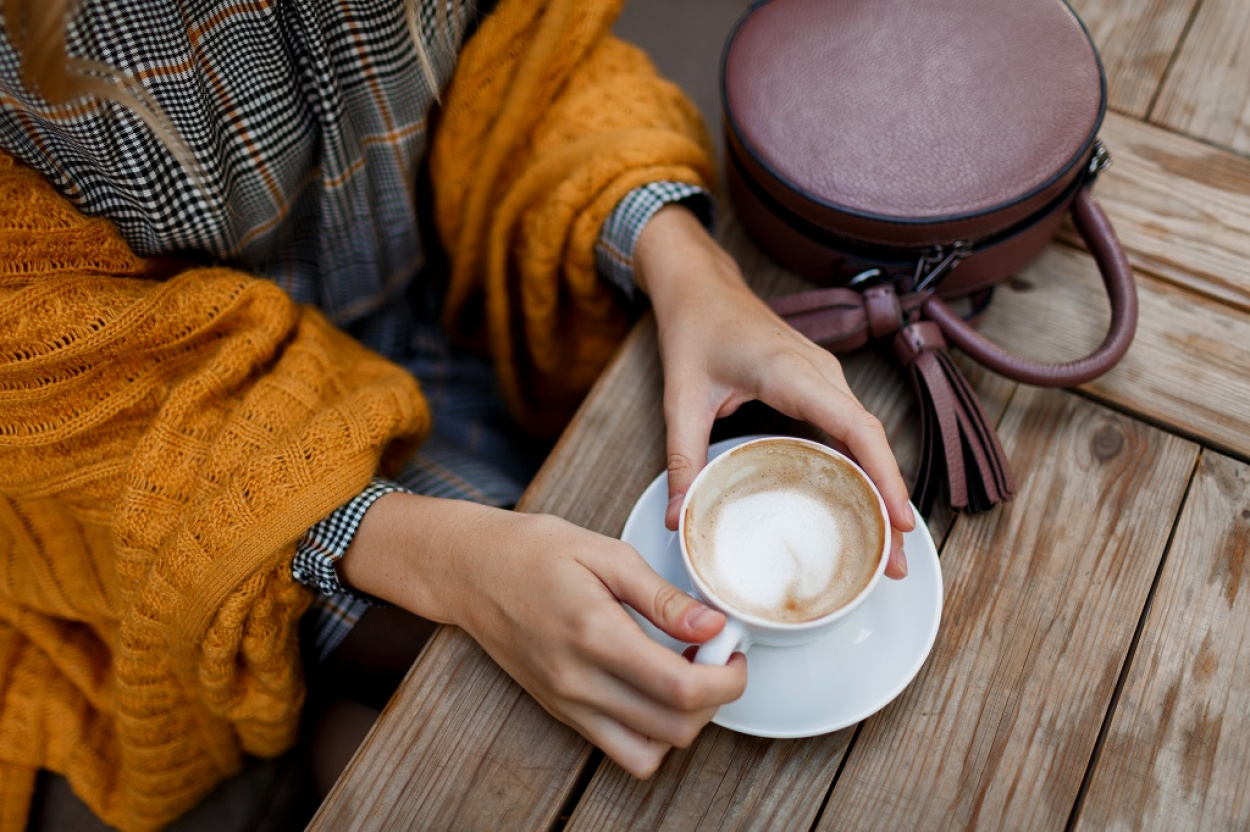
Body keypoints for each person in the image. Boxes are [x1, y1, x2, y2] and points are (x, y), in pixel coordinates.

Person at [0, 0, 914, 828]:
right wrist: (446, 564)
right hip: (164, 445)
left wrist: (688, 267)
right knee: (531, 731)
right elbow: (59, 380)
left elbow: (529, 57)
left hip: (472, 295)